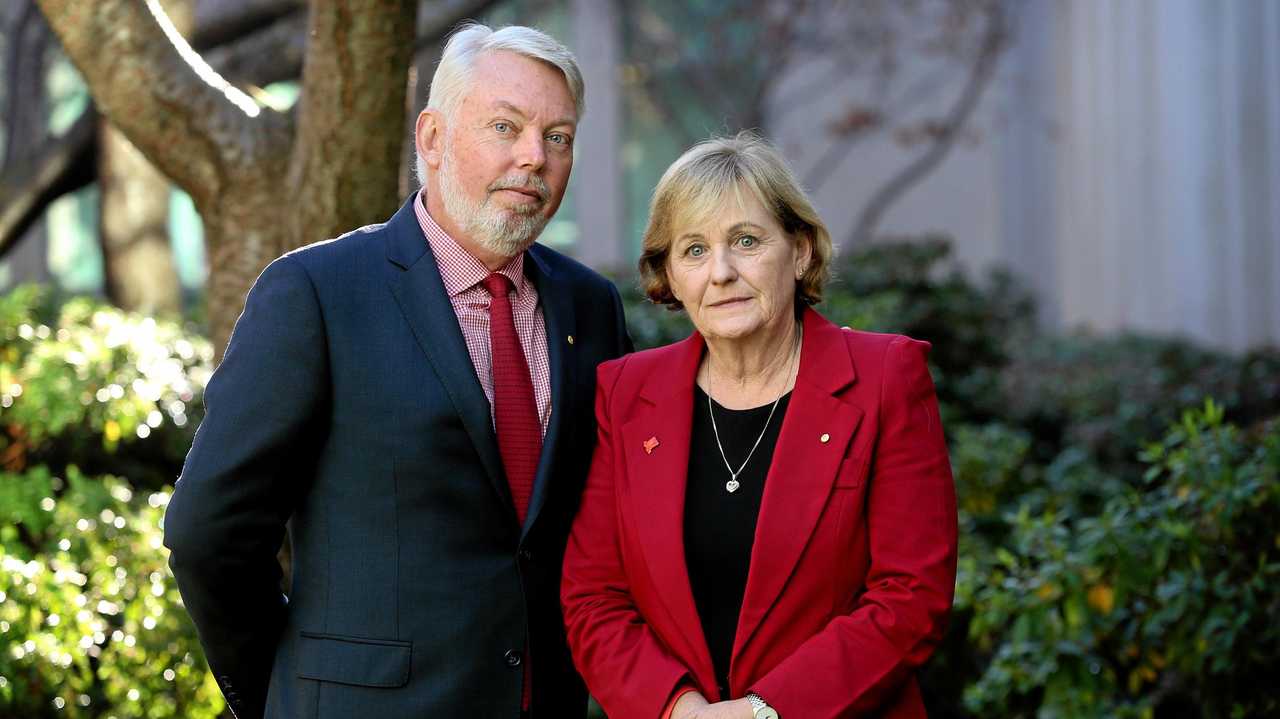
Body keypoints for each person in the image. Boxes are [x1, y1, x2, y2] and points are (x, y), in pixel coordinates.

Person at [164, 23, 631, 719]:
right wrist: (283, 690)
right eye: (506, 126)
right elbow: (210, 531)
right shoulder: (316, 293)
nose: (534, 156)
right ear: (433, 138)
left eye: (557, 136)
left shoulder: (590, 307)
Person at [561, 133, 957, 719]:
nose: (720, 272)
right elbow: (594, 598)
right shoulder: (624, 394)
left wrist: (762, 712)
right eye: (693, 250)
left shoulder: (884, 378)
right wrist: (680, 711)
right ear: (668, 274)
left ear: (799, 252)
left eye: (745, 241)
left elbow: (910, 596)